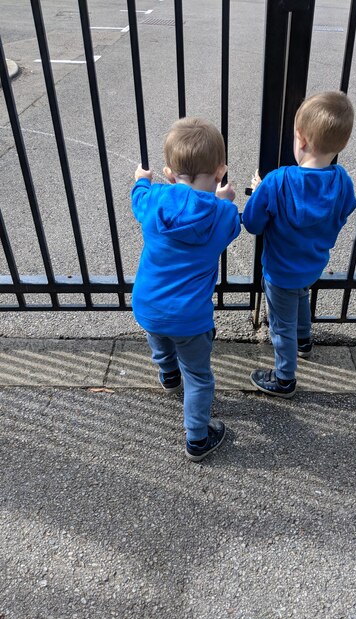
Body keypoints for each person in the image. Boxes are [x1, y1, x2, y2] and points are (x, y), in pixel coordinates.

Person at [131, 117, 240, 461]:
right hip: (190, 318)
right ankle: (197, 437)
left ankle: (167, 375)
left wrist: (140, 181)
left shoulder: (155, 199)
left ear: (169, 173)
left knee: (160, 339)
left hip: (148, 305)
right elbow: (236, 226)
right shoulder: (221, 216)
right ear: (221, 171)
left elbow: (139, 198)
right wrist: (225, 200)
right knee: (200, 377)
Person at [242, 91, 356, 398]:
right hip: (312, 262)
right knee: (301, 296)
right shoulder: (342, 180)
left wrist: (257, 190)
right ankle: (304, 340)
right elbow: (347, 208)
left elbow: (252, 223)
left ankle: (284, 378)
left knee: (281, 327)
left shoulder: (278, 181)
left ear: (301, 141)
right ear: (341, 144)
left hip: (279, 270)